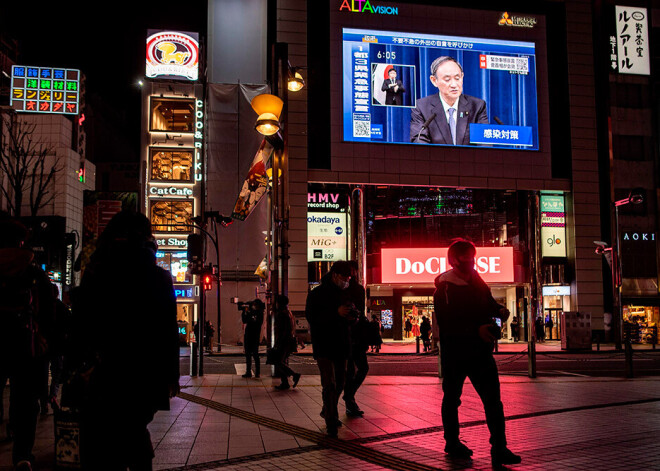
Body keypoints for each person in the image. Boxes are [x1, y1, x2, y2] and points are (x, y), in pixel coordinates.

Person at [68, 210, 180, 470]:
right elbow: (168, 332)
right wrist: (170, 377)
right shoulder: (159, 278)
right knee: (135, 430)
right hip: (144, 374)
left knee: (103, 440)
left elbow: (81, 326)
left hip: (101, 371)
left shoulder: (96, 272)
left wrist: (74, 367)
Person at [433, 239, 521, 467]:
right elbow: (447, 323)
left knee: (493, 401)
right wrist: (476, 329)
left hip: (481, 352)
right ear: (453, 261)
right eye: (466, 259)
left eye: (473, 258)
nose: (471, 263)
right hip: (456, 354)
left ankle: (499, 448)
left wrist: (499, 310)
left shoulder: (477, 281)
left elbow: (489, 303)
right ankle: (452, 443)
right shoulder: (444, 288)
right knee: (452, 399)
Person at [0, 212, 55, 471]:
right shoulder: (33, 272)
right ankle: (22, 455)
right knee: (25, 402)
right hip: (26, 345)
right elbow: (50, 311)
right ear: (22, 242)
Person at [305, 261, 354, 437]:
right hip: (324, 345)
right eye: (344, 277)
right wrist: (336, 313)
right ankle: (331, 420)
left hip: (342, 345)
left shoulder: (345, 293)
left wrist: (351, 315)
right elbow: (311, 316)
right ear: (334, 275)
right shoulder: (317, 294)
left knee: (341, 382)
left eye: (348, 278)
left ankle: (328, 409)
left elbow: (351, 314)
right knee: (329, 384)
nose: (346, 281)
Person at [410, 56, 488, 145]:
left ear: (462, 76)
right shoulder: (421, 107)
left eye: (457, 78)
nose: (454, 84)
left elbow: (484, 144)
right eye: (447, 79)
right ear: (434, 80)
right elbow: (420, 142)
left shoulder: (477, 106)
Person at [343, 260, 369, 417]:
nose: (353, 273)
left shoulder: (358, 289)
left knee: (361, 368)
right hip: (346, 335)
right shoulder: (343, 290)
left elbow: (359, 311)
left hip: (356, 335)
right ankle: (349, 402)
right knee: (350, 371)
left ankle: (349, 397)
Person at [272, 295, 301, 390]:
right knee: (281, 361)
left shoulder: (282, 314)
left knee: (278, 361)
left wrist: (278, 342)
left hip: (284, 341)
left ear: (279, 303)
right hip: (288, 341)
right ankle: (285, 383)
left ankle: (294, 375)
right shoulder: (288, 312)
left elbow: (282, 330)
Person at [241, 299, 264, 378]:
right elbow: (244, 320)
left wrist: (249, 311)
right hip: (249, 335)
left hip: (254, 336)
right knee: (248, 354)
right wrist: (245, 312)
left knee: (255, 354)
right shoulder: (253, 313)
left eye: (254, 304)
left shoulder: (259, 313)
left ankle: (257, 372)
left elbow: (251, 320)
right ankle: (249, 371)